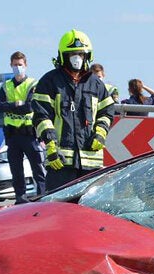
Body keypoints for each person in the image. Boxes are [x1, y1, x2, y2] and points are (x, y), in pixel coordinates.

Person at [32, 30, 115, 191]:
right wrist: (51, 145)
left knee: (90, 206)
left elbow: (106, 112)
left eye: (81, 54)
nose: (77, 58)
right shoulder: (49, 82)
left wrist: (100, 133)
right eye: (72, 54)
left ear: (87, 56)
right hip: (60, 162)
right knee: (59, 205)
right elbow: (41, 117)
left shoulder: (96, 84)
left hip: (90, 163)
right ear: (63, 56)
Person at [0, 51, 46, 203]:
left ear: (26, 65)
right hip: (12, 136)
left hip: (29, 134)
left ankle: (42, 196)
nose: (18, 67)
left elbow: (29, 107)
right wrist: (16, 104)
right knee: (16, 171)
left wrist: (10, 106)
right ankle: (20, 198)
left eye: (20, 64)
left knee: (38, 168)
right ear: (11, 65)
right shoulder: (6, 86)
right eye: (15, 65)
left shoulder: (32, 84)